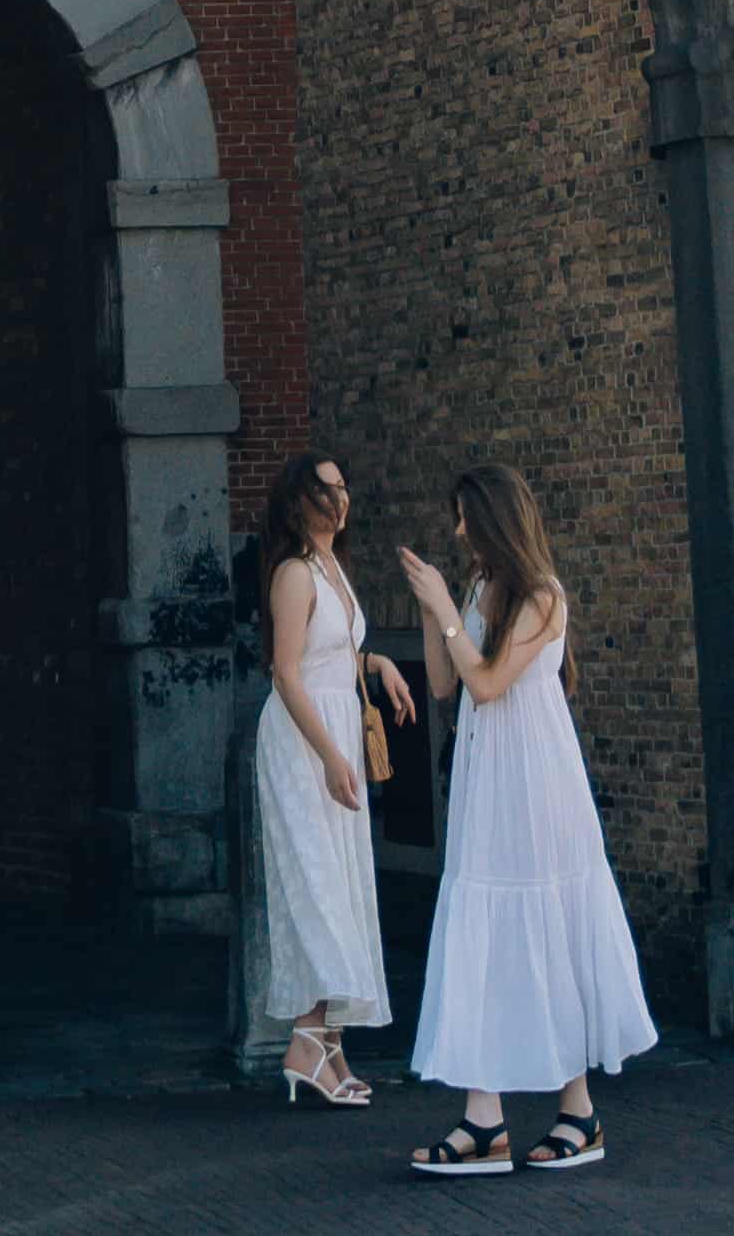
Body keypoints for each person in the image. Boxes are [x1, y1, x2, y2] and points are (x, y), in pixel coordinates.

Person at [394, 460, 657, 1174]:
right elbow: (446, 685)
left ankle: (576, 1111)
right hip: (488, 779)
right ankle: (488, 1119)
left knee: (546, 927)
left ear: (493, 522)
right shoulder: (483, 587)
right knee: (490, 927)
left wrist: (445, 607)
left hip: (534, 785)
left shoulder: (542, 597)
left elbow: (485, 684)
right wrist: (431, 613)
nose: (455, 530)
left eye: (463, 517)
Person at [250, 451, 413, 1107]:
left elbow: (332, 648)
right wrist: (326, 755)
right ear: (299, 502)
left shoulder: (330, 569)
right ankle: (305, 1041)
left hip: (335, 727)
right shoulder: (293, 573)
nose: (340, 500)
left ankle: (328, 1043)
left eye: (344, 487)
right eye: (327, 490)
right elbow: (286, 671)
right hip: (301, 739)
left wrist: (376, 664)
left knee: (341, 883)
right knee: (315, 881)